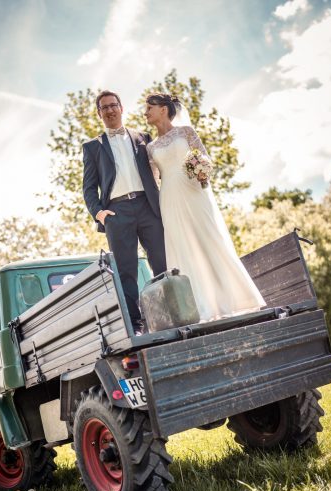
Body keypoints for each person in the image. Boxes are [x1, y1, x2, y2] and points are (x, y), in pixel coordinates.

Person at [145, 93, 265, 321]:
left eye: (149, 107)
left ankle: (236, 299)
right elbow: (153, 178)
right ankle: (198, 308)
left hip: (194, 191)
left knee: (210, 238)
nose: (145, 112)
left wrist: (201, 170)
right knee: (181, 247)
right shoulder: (150, 148)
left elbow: (204, 159)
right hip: (169, 197)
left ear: (163, 109)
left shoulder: (186, 132)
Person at [83, 90, 167, 334]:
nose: (110, 110)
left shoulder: (143, 137)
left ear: (121, 108)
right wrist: (99, 213)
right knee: (126, 270)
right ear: (99, 114)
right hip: (116, 212)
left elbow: (159, 170)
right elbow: (88, 188)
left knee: (161, 261)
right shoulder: (92, 147)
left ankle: (167, 313)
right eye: (104, 108)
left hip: (148, 207)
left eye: (113, 105)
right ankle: (137, 324)